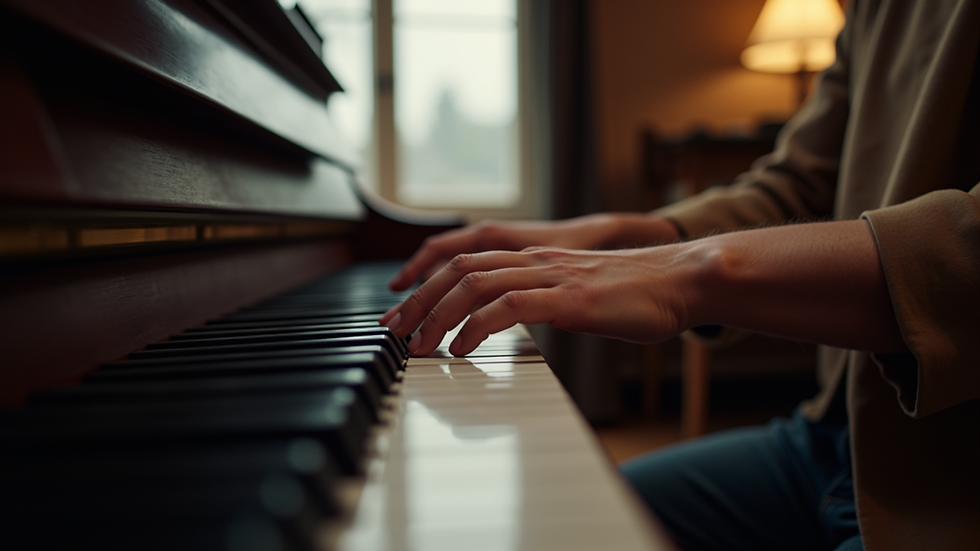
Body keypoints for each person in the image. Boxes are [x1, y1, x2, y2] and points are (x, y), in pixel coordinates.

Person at [379, 1, 980, 549]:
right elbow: (799, 187)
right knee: (557, 529)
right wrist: (624, 233)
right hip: (832, 435)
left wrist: (695, 272)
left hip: (951, 484)